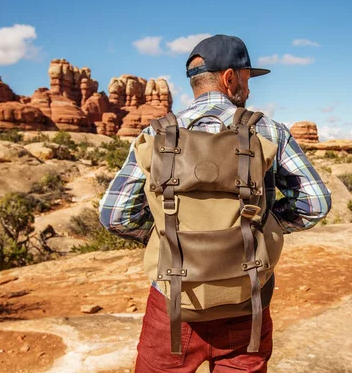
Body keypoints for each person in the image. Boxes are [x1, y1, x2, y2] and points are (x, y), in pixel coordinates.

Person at [99, 34, 332, 372]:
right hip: (244, 301)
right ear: (229, 78)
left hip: (174, 303)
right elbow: (315, 202)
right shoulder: (268, 130)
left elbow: (114, 215)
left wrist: (165, 234)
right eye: (247, 79)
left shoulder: (157, 133)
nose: (249, 89)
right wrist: (266, 224)